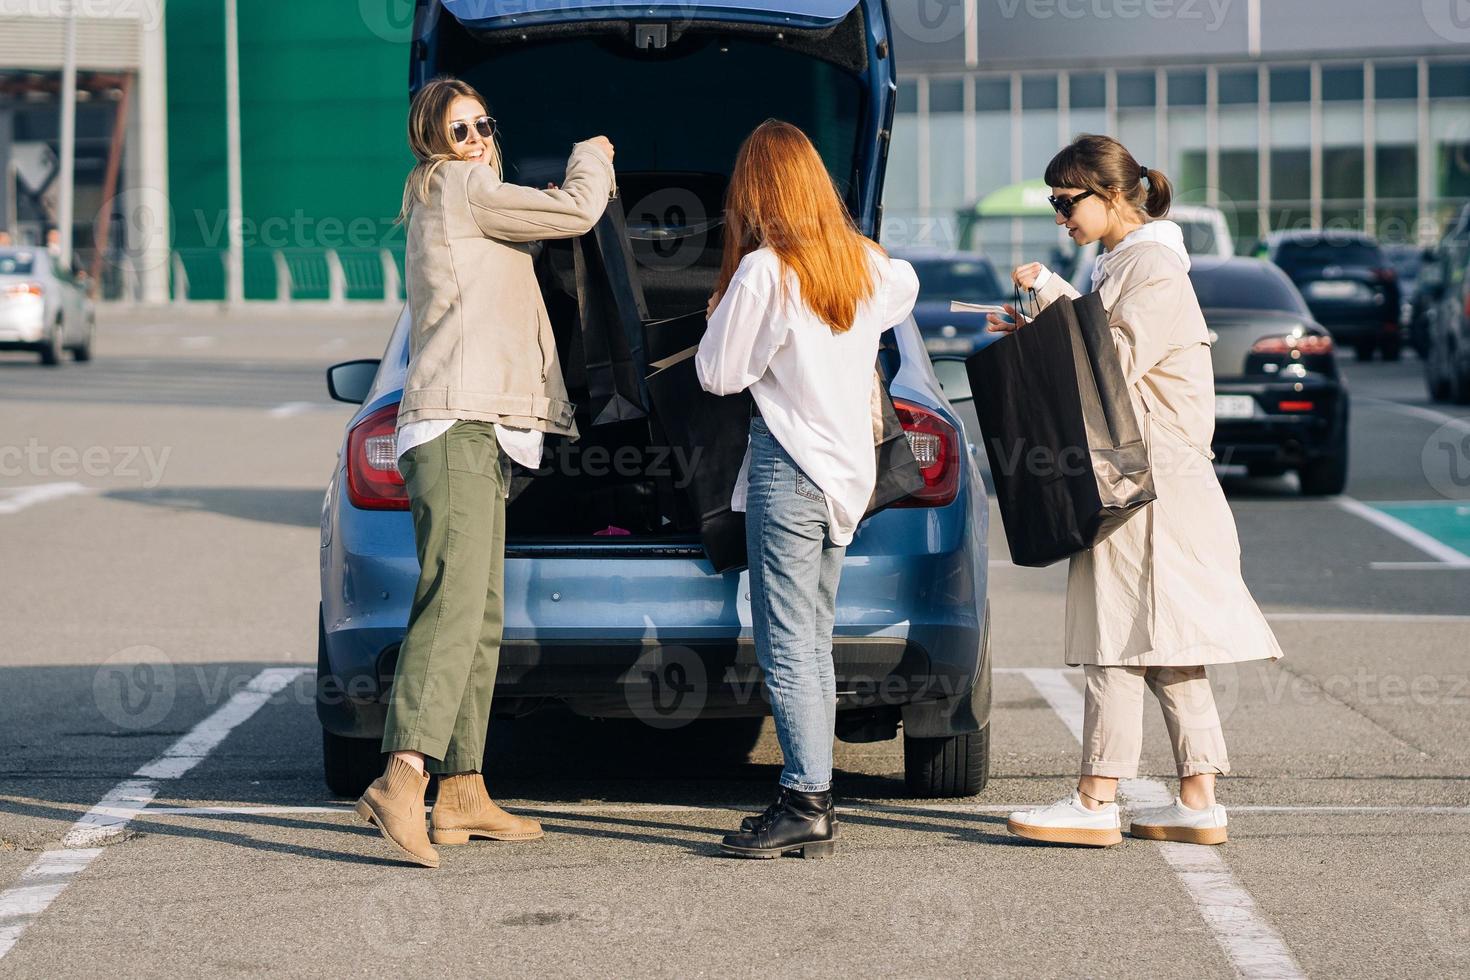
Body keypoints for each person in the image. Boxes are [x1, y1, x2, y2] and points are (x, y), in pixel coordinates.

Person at [353, 76, 616, 868]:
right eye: (459, 130)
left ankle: (462, 792)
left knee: (481, 613)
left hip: (477, 429)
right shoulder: (462, 185)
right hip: (456, 427)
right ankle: (402, 781)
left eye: (482, 125)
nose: (476, 140)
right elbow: (579, 211)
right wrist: (589, 156)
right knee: (452, 608)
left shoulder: (466, 197)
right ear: (434, 144)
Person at [995, 134, 1283, 848]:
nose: (1059, 216)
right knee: (1166, 645)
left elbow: (1113, 364)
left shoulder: (1150, 265)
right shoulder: (1126, 262)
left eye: (1068, 201)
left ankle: (1097, 798)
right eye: (1054, 203)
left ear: (1112, 195)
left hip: (1142, 477)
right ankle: (1198, 798)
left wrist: (1054, 300)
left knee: (1116, 636)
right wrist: (1042, 319)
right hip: (1156, 476)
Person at [696, 119, 919, 859]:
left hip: (788, 471)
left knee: (787, 644)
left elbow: (717, 375)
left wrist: (721, 313)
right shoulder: (864, 266)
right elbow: (904, 287)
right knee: (812, 638)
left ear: (759, 192)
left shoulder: (765, 271)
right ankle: (813, 795)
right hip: (844, 479)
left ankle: (806, 804)